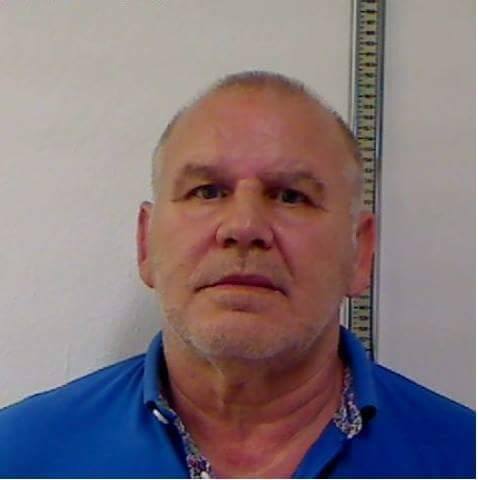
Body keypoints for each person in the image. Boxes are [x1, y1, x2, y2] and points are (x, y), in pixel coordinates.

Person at [0, 71, 474, 478]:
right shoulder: (18, 456)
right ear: (145, 243)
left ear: (360, 253)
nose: (244, 227)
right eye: (207, 192)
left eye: (291, 196)